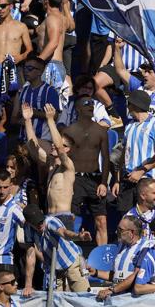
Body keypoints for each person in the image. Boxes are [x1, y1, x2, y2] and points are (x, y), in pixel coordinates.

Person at [61, 95, 110, 245]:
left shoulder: (101, 131)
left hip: (95, 179)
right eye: (86, 106)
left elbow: (106, 158)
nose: (90, 109)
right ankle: (73, 259)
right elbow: (63, 156)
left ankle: (102, 261)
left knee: (101, 221)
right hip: (75, 179)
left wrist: (103, 183)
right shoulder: (69, 130)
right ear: (78, 109)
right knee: (72, 221)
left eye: (91, 107)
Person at [22, 102, 75, 230]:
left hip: (63, 217)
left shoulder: (68, 166)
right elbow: (32, 147)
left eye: (59, 144)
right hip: (49, 216)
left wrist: (50, 120)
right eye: (52, 142)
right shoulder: (50, 164)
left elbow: (59, 147)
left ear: (67, 149)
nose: (53, 145)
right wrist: (28, 120)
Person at [113, 90, 155, 214]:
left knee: (146, 216)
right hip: (127, 179)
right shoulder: (129, 126)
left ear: (135, 104)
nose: (127, 106)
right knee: (126, 218)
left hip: (146, 180)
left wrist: (141, 170)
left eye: (129, 103)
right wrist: (117, 180)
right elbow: (123, 155)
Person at [22, 203, 92, 294]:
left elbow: (64, 233)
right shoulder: (27, 229)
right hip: (54, 269)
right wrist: (28, 285)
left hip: (71, 262)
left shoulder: (51, 221)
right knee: (56, 300)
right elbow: (30, 255)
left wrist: (78, 236)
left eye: (41, 221)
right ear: (29, 223)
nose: (40, 225)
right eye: (36, 223)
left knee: (83, 296)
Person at [90, 216, 148, 300]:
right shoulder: (121, 246)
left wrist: (111, 290)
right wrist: (96, 272)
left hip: (134, 299)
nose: (116, 231)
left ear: (131, 232)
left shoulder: (145, 247)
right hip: (117, 296)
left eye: (120, 229)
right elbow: (115, 275)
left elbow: (135, 276)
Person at [14, 55, 60, 143]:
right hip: (23, 140)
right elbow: (14, 118)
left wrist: (31, 113)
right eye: (25, 68)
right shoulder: (22, 91)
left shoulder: (50, 91)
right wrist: (21, 119)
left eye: (30, 68)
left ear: (40, 71)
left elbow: (54, 116)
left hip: (43, 140)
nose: (26, 71)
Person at [37, 0, 70, 95]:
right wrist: (65, 6)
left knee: (46, 103)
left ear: (46, 0)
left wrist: (38, 61)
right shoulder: (62, 18)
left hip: (51, 65)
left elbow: (53, 42)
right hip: (55, 65)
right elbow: (72, 26)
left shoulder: (52, 18)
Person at [0, 170, 25, 272]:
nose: (2, 191)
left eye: (5, 187)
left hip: (3, 261)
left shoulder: (15, 208)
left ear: (11, 185)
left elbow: (28, 224)